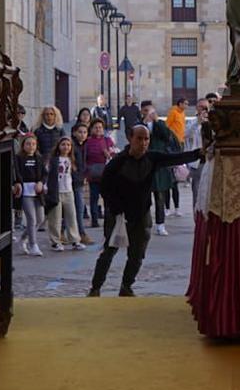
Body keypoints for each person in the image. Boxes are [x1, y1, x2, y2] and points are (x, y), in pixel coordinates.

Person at [87, 125, 203, 298]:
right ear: (130, 139)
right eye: (139, 139)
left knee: (137, 254)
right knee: (109, 252)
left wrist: (198, 153)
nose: (143, 143)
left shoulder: (152, 158)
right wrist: (117, 210)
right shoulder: (118, 162)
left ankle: (126, 286)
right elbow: (105, 188)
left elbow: (175, 158)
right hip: (118, 215)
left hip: (142, 215)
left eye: (146, 139)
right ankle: (95, 288)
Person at [33, 106, 68, 247]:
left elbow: (66, 147)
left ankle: (61, 231)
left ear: (56, 115)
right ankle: (45, 222)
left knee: (61, 199)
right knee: (48, 198)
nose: (49, 116)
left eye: (51, 114)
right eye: (46, 114)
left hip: (58, 168)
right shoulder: (38, 131)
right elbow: (35, 149)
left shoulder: (59, 130)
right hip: (43, 168)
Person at [50, 133, 89, 250]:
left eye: (68, 145)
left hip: (68, 190)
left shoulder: (71, 160)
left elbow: (75, 174)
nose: (66, 147)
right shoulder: (53, 160)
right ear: (58, 146)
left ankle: (75, 240)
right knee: (55, 218)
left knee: (71, 216)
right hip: (56, 191)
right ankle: (55, 241)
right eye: (63, 145)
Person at [11, 133, 46, 257]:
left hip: (37, 192)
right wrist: (16, 183)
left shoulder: (39, 158)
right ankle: (33, 245)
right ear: (23, 145)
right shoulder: (18, 158)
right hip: (25, 191)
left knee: (40, 219)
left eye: (33, 144)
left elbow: (44, 174)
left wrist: (41, 182)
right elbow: (15, 173)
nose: (31, 146)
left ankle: (24, 238)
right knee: (31, 218)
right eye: (28, 144)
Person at [150, 107, 183, 233]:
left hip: (159, 167)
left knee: (160, 196)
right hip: (144, 166)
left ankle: (160, 224)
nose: (151, 115)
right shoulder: (140, 125)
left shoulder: (160, 125)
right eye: (147, 112)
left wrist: (157, 121)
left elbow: (167, 135)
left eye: (153, 112)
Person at [83, 119, 114, 224]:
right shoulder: (88, 141)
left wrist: (109, 154)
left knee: (107, 197)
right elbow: (84, 158)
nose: (98, 129)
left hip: (106, 174)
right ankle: (94, 219)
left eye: (100, 127)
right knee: (94, 197)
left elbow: (113, 154)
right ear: (91, 129)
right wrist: (86, 172)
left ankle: (108, 218)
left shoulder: (107, 140)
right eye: (96, 127)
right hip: (93, 174)